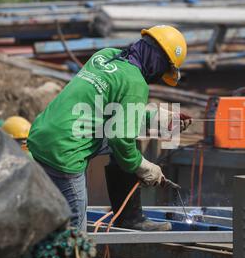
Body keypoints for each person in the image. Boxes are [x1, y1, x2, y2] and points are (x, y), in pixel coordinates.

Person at [27, 26, 191, 231]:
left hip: (43, 135)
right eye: (162, 71)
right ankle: (76, 257)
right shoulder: (136, 83)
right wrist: (144, 167)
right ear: (159, 61)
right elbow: (120, 139)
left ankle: (130, 218)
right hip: (65, 150)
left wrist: (159, 118)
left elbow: (108, 109)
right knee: (74, 234)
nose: (158, 76)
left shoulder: (105, 56)